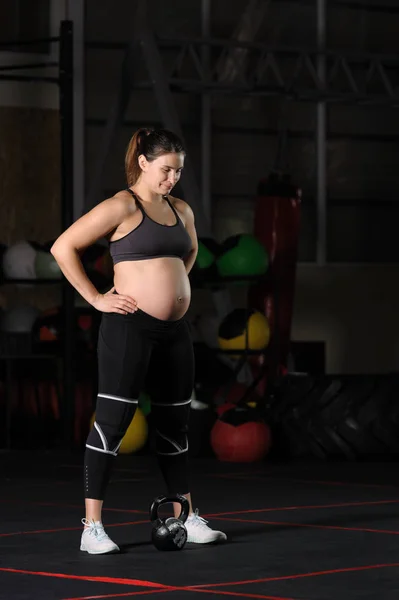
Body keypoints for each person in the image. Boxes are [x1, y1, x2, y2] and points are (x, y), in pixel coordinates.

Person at [51, 128, 227, 554]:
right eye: (166, 170)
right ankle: (91, 528)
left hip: (174, 333)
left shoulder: (181, 209)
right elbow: (63, 247)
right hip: (130, 327)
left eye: (178, 172)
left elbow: (190, 253)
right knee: (112, 423)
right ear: (144, 162)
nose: (172, 179)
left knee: (175, 425)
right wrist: (95, 297)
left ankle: (185, 514)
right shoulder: (121, 206)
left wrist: (174, 284)